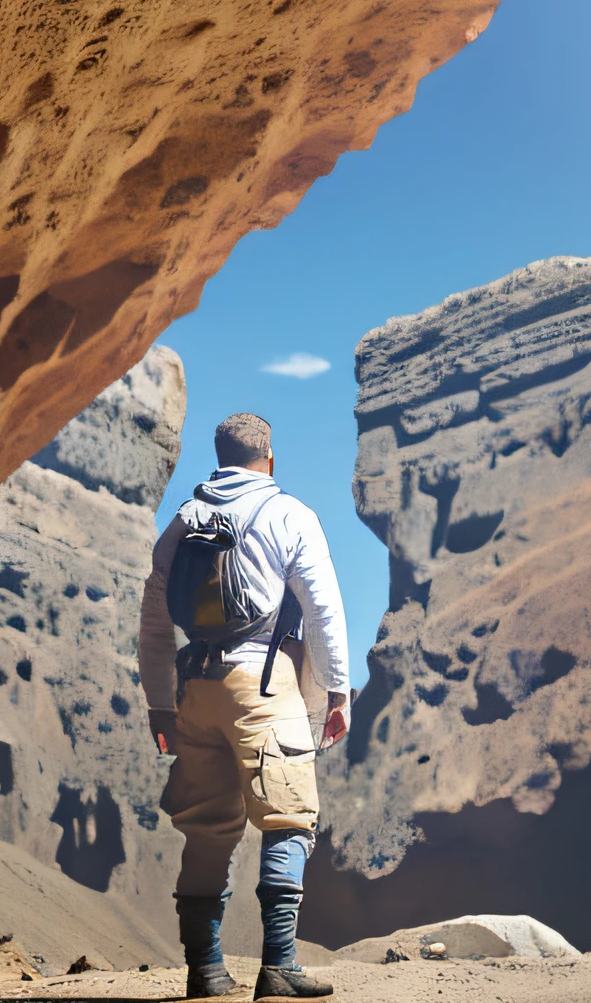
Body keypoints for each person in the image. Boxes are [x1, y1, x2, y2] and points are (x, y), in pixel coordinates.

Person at [140, 413, 350, 1001]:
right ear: (270, 459)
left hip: (195, 689)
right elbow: (323, 612)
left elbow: (155, 624)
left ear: (218, 456)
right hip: (261, 684)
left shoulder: (185, 520)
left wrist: (161, 705)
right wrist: (337, 692)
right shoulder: (290, 515)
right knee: (287, 816)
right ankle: (278, 966)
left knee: (207, 829)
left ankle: (204, 972)